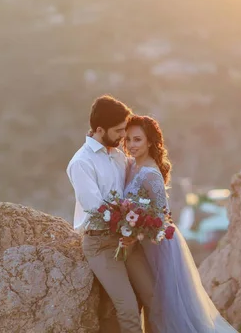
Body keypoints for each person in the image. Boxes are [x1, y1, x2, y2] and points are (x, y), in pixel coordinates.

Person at [123, 115, 238, 333]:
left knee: (164, 305)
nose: (131, 145)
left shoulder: (150, 173)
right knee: (151, 302)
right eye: (128, 139)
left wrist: (135, 230)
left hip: (159, 245)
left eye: (137, 139)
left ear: (149, 141)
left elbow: (161, 216)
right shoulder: (132, 166)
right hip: (142, 243)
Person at [67, 95, 160, 333]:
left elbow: (132, 191)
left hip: (127, 239)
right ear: (100, 129)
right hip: (100, 243)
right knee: (127, 308)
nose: (123, 137)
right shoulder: (81, 163)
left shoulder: (117, 155)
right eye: (119, 131)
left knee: (153, 297)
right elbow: (98, 210)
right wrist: (129, 228)